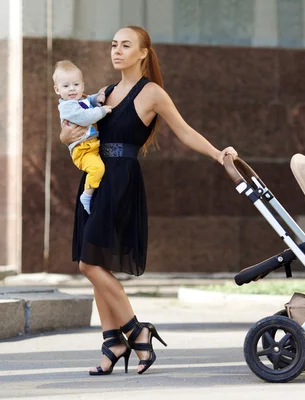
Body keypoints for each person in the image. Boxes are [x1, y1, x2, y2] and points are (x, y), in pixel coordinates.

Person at [59, 25, 238, 376]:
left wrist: (218, 155)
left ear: (143, 52)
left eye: (126, 45)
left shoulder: (152, 93)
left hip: (121, 181)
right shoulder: (104, 93)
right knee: (96, 263)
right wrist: (65, 133)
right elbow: (71, 129)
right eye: (113, 44)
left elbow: (184, 130)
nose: (117, 50)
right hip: (95, 179)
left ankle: (135, 330)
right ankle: (112, 342)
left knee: (88, 264)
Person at [53, 60, 113, 213]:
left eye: (76, 85)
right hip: (82, 150)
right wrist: (102, 111)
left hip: (92, 146)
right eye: (66, 86)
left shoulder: (79, 101)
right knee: (97, 169)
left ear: (83, 86)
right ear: (57, 90)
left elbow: (87, 101)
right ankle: (86, 195)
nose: (72, 89)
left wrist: (95, 99)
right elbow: (85, 117)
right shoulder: (67, 107)